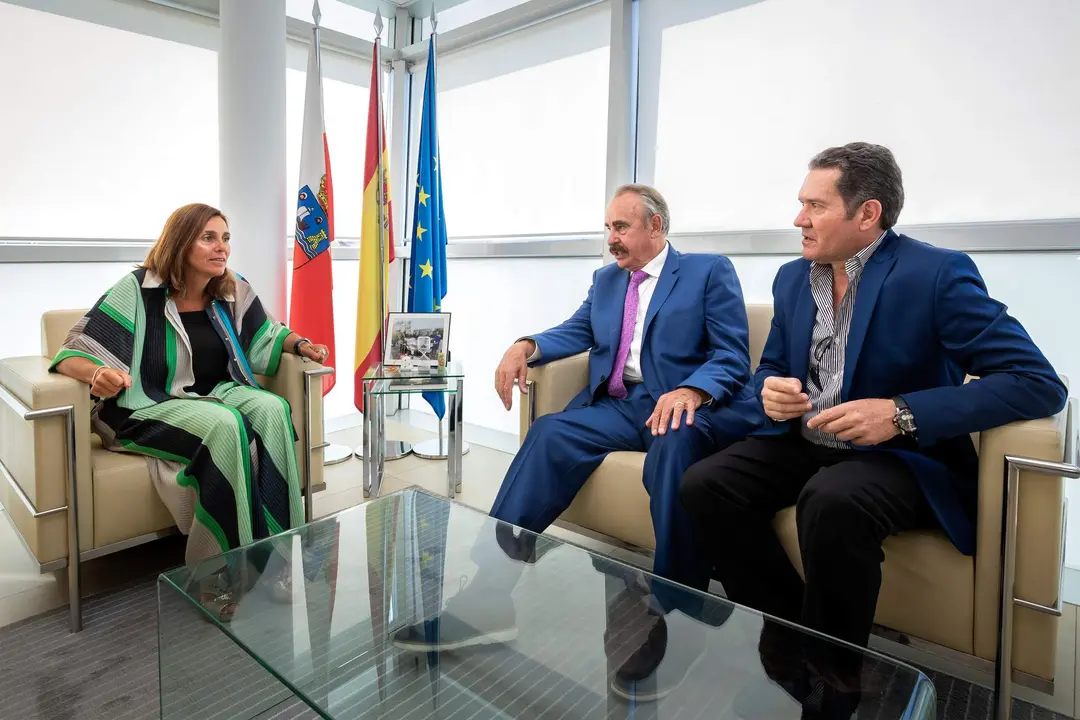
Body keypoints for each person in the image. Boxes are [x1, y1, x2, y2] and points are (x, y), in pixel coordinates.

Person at [680, 143, 1067, 712]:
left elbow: (1036, 381)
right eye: (800, 203)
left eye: (815, 205)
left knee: (832, 500)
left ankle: (836, 685)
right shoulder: (792, 278)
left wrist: (899, 412)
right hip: (806, 441)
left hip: (900, 458)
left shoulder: (935, 274)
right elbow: (772, 367)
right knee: (704, 485)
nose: (798, 219)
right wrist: (773, 391)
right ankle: (790, 634)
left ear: (868, 213)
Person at [393, 184, 761, 700]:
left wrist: (692, 389)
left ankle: (678, 617)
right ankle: (490, 594)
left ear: (656, 227)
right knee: (548, 433)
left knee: (674, 451)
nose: (611, 238)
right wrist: (526, 345)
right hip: (619, 405)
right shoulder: (607, 280)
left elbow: (732, 354)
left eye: (622, 227)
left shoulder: (706, 271)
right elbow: (578, 329)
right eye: (608, 227)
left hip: (681, 407)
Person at [50, 203, 330, 621]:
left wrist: (299, 345)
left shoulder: (230, 288)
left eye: (226, 238)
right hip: (147, 402)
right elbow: (71, 352)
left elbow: (266, 334)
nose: (223, 248)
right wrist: (98, 373)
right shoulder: (137, 290)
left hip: (215, 391)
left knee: (272, 408)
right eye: (209, 238)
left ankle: (277, 560)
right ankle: (213, 574)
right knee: (225, 424)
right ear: (180, 243)